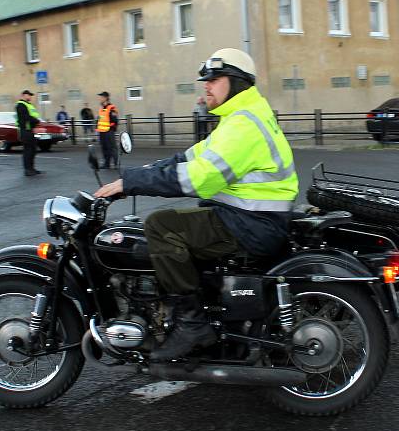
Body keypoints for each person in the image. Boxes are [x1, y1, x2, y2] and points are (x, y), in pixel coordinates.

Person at [93, 48, 298, 361]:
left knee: (161, 225)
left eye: (214, 79)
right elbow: (187, 158)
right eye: (206, 79)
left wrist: (133, 183)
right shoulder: (239, 119)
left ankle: (192, 323)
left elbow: (198, 178)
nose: (206, 85)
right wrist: (133, 178)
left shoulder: (243, 125)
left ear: (238, 82)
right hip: (252, 217)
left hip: (253, 223)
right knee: (190, 222)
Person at [16, 89, 43, 176]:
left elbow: (31, 116)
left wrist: (36, 123)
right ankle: (27, 170)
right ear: (23, 95)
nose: (30, 97)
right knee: (28, 150)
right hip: (25, 130)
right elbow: (26, 117)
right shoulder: (21, 105)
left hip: (30, 130)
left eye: (31, 95)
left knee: (33, 150)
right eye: (28, 95)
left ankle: (32, 168)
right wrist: (37, 121)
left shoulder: (28, 105)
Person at [95, 91, 118, 168]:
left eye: (101, 97)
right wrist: (97, 129)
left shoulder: (111, 107)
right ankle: (106, 164)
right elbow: (100, 120)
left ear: (106, 98)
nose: (100, 99)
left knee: (112, 148)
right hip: (102, 132)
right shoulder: (101, 108)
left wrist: (111, 130)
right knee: (104, 148)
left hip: (109, 131)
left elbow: (114, 121)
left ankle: (116, 164)